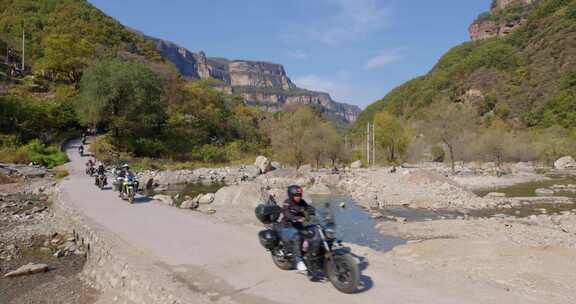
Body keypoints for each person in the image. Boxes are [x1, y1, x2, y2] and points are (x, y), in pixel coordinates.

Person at [279, 185, 315, 272]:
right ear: (291, 195)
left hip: (299, 226)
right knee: (297, 237)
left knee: (313, 233)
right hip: (287, 227)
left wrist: (312, 210)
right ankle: (299, 261)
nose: (298, 197)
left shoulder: (302, 202)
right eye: (296, 195)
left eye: (299, 195)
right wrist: (296, 218)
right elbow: (286, 213)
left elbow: (308, 208)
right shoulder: (287, 203)